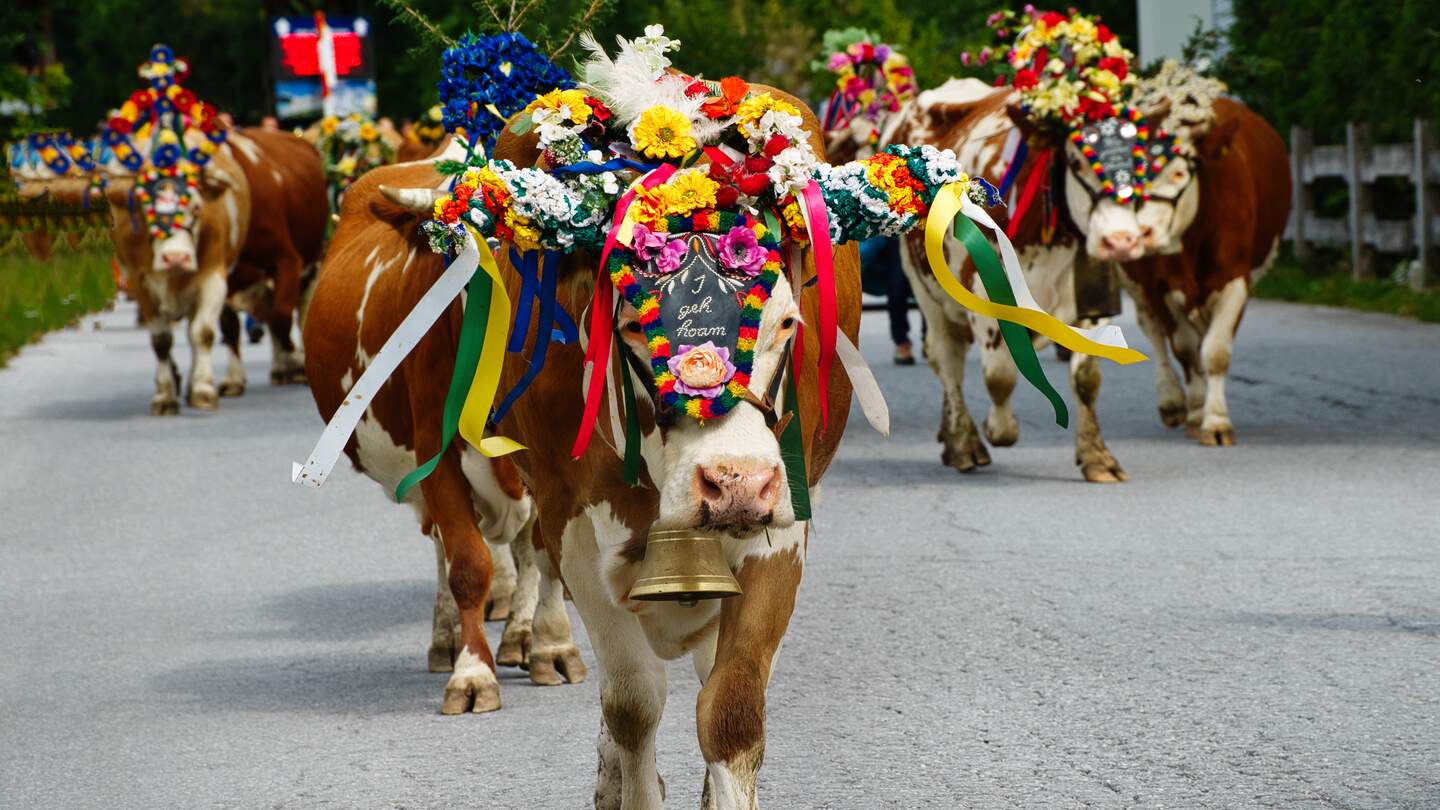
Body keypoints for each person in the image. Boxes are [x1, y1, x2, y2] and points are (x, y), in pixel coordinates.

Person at [859, 236, 916, 365]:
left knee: (930, 285)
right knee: (897, 285)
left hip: (925, 230)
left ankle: (930, 335)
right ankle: (901, 341)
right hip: (895, 232)